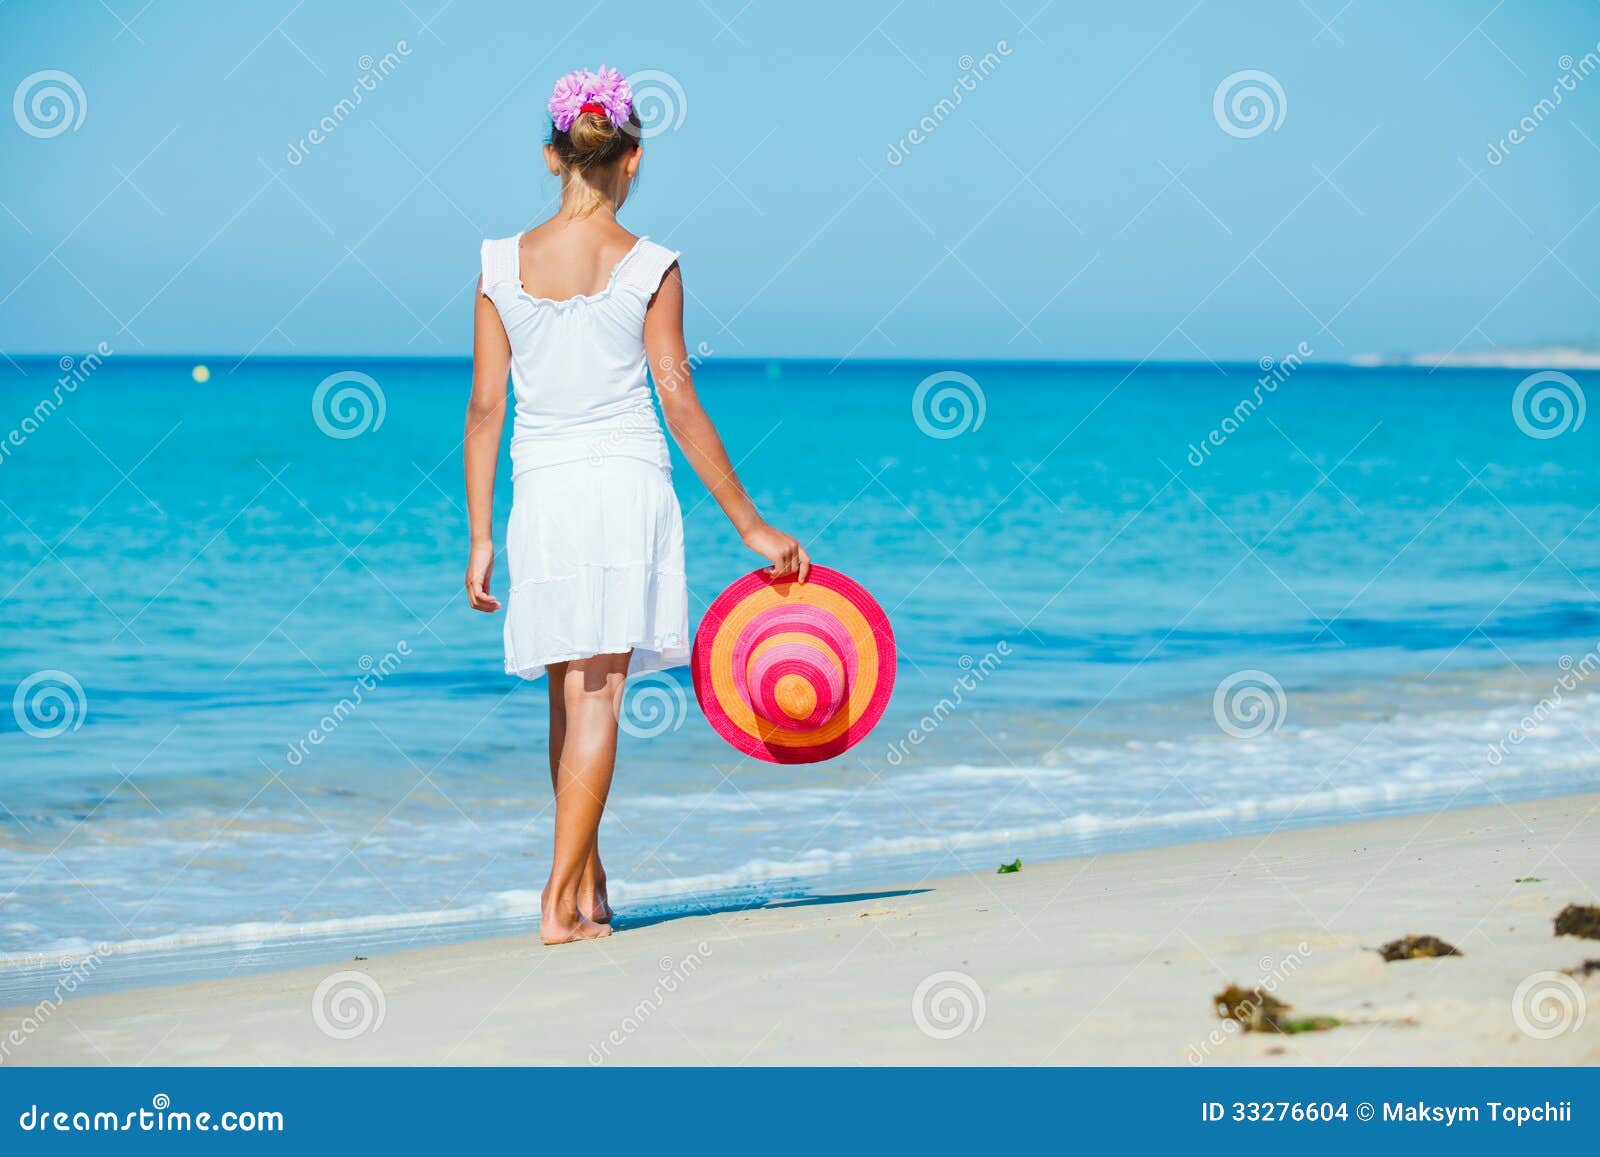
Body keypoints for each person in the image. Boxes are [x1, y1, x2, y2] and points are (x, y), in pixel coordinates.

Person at [463, 66, 810, 944]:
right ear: (634, 159)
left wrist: (477, 535)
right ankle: (556, 903)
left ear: (552, 157)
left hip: (540, 496)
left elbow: (484, 409)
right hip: (621, 490)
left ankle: (586, 883)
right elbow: (679, 401)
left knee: (565, 697)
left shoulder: (500, 263)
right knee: (597, 701)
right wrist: (750, 522)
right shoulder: (650, 265)